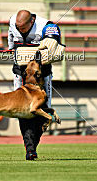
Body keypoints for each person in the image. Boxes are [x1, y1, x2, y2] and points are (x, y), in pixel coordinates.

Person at [8, 9, 61, 160]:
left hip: (42, 76)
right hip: (20, 75)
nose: (19, 30)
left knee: (44, 112)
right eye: (18, 27)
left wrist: (52, 42)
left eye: (22, 28)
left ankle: (32, 146)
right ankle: (30, 149)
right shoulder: (13, 22)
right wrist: (12, 50)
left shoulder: (46, 26)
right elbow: (11, 40)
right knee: (23, 111)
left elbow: (54, 39)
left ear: (32, 22)